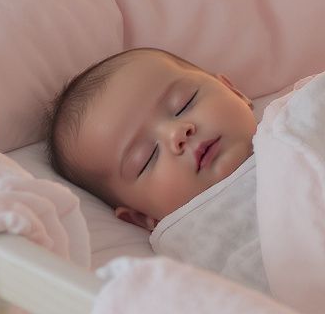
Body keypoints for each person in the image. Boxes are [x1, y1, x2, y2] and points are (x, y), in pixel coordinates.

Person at [46, 48, 257, 231]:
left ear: (233, 91)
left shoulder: (287, 114)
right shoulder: (195, 246)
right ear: (142, 217)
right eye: (147, 158)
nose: (176, 134)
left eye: (184, 104)